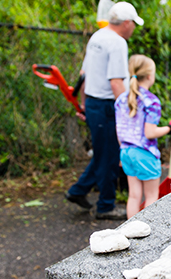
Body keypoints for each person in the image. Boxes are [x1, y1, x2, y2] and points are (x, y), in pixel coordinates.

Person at [65, 2, 144, 220]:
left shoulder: (97, 37)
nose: (134, 29)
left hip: (93, 102)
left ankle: (78, 191)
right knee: (109, 156)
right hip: (107, 105)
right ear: (126, 23)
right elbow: (117, 82)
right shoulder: (117, 43)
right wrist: (128, 113)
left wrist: (83, 103)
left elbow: (84, 75)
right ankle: (106, 206)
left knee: (102, 152)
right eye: (133, 24)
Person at [115, 55, 171, 219]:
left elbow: (119, 130)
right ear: (150, 76)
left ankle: (130, 230)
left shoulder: (121, 99)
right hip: (144, 153)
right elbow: (150, 133)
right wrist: (170, 128)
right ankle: (148, 231)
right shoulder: (151, 101)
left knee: (134, 196)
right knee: (152, 196)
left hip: (126, 152)